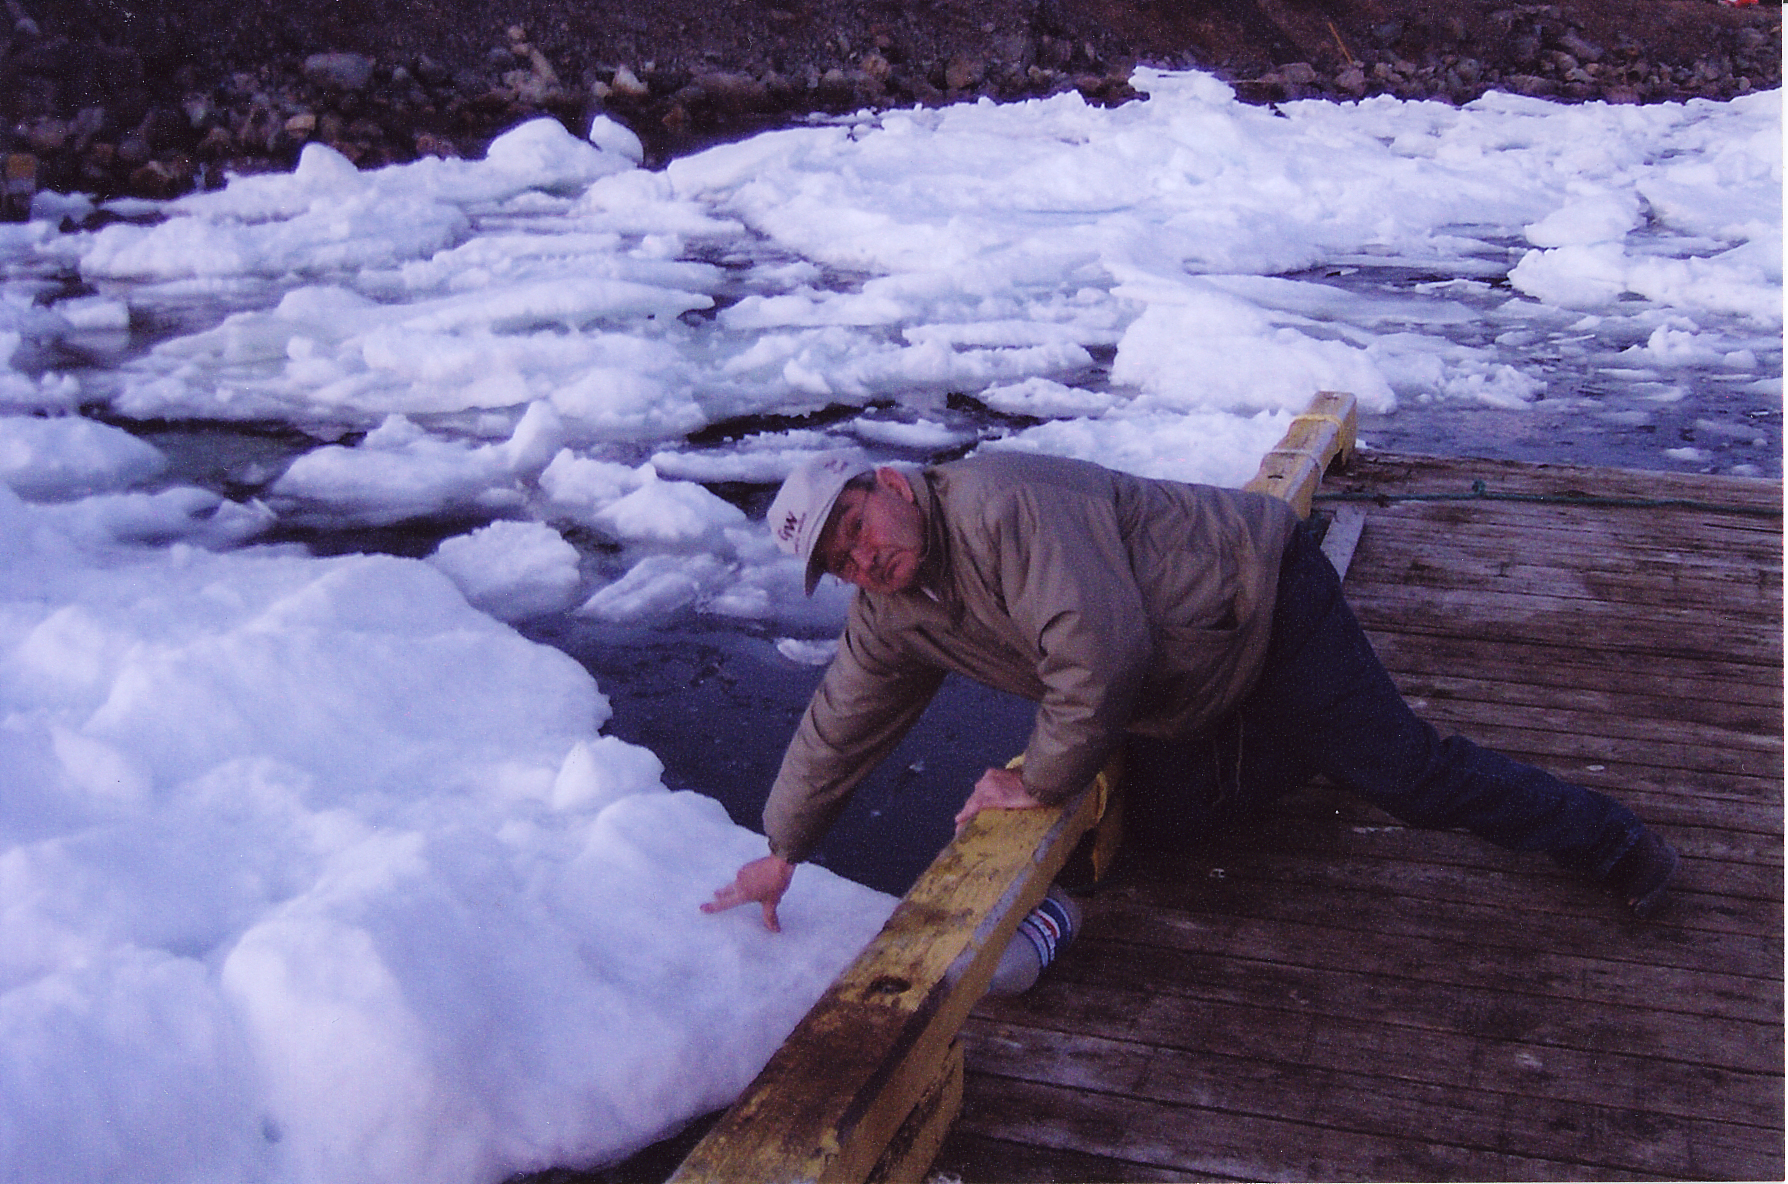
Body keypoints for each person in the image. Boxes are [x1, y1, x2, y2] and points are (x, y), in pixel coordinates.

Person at [702, 451, 1680, 937]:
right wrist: (783, 847)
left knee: (1406, 773)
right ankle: (1298, 740)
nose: (862, 557)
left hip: (1260, 595)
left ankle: (1614, 838)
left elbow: (1103, 650)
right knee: (1163, 815)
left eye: (856, 525)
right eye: (840, 561)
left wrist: (1037, 778)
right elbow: (843, 721)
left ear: (887, 483)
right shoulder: (897, 608)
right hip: (1190, 668)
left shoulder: (995, 500)